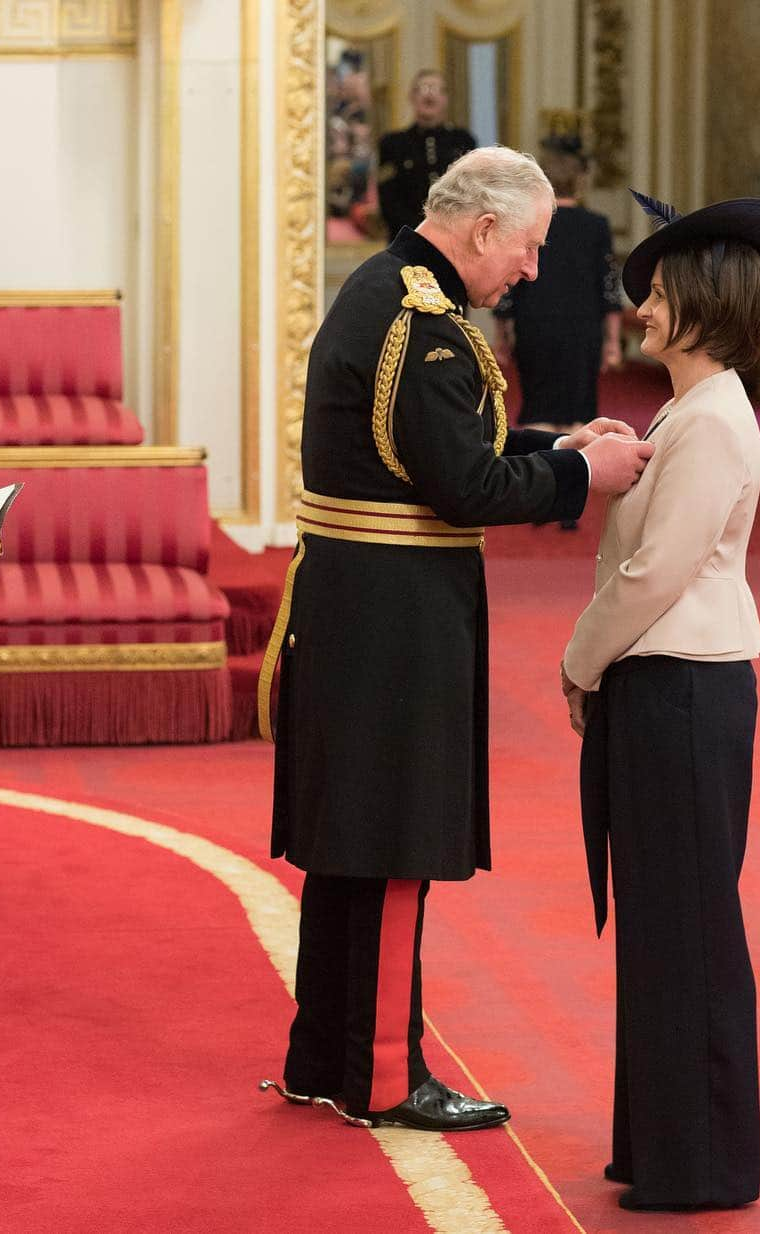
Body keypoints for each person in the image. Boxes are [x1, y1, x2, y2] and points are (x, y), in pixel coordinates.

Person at [257, 146, 655, 1132]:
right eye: (526, 248)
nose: (529, 270)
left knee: (348, 840)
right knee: (394, 840)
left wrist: (553, 442)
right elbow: (463, 486)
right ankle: (386, 1074)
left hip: (360, 603)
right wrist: (581, 481)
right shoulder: (422, 323)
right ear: (484, 229)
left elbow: (436, 447)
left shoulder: (389, 291)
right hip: (395, 615)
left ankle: (326, 1055)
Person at [563, 192, 760, 1211]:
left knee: (690, 930)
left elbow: (655, 572)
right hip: (666, 687)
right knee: (667, 927)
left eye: (658, 294)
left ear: (702, 306)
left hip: (685, 690)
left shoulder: (710, 419)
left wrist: (579, 662)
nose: (642, 308)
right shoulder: (685, 409)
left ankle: (702, 1163)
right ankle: (663, 1147)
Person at [492, 135, 622, 430]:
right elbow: (609, 288)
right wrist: (612, 342)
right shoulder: (596, 225)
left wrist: (501, 335)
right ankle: (575, 469)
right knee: (579, 413)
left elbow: (509, 283)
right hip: (583, 329)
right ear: (580, 180)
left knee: (538, 409)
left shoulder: (528, 223)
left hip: (535, 325)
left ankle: (541, 470)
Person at [377, 70, 476, 241]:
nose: (429, 95)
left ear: (446, 99)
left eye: (437, 89)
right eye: (422, 89)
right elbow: (388, 199)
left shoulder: (463, 141)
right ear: (411, 97)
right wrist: (420, 233)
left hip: (454, 238)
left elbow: (470, 194)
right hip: (406, 238)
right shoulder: (392, 143)